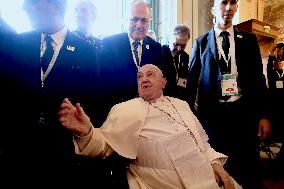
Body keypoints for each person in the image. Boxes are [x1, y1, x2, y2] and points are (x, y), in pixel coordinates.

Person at [59, 64, 242, 189]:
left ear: (164, 82)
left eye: (150, 74)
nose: (144, 79)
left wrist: (219, 168)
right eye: (139, 76)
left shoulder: (181, 104)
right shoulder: (125, 109)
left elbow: (202, 143)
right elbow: (104, 146)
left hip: (207, 176)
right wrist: (86, 132)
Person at [0, 0, 102, 186]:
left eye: (31, 3)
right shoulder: (14, 44)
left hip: (62, 156)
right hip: (17, 153)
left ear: (54, 6)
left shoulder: (87, 52)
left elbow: (94, 105)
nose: (24, 7)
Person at [186, 0, 272, 188]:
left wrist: (264, 115)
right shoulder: (201, 43)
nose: (228, 8)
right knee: (218, 171)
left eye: (233, 3)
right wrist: (189, 120)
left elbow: (259, 80)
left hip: (243, 115)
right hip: (213, 119)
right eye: (224, 2)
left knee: (247, 170)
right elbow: (192, 86)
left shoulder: (248, 41)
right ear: (213, 9)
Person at [100, 0, 164, 110]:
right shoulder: (109, 44)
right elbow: (102, 81)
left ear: (149, 22)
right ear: (126, 20)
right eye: (134, 19)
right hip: (117, 111)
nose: (139, 25)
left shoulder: (156, 48)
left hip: (148, 111)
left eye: (144, 20)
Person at [162, 24, 190, 100]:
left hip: (179, 99)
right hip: (163, 98)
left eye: (183, 46)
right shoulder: (161, 53)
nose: (179, 49)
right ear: (170, 39)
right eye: (176, 44)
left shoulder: (185, 57)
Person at [267, 42, 284, 141]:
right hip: (273, 99)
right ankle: (274, 137)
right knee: (275, 118)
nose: (279, 63)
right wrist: (271, 53)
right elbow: (269, 66)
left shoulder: (283, 73)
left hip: (283, 99)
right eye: (277, 61)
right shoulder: (272, 73)